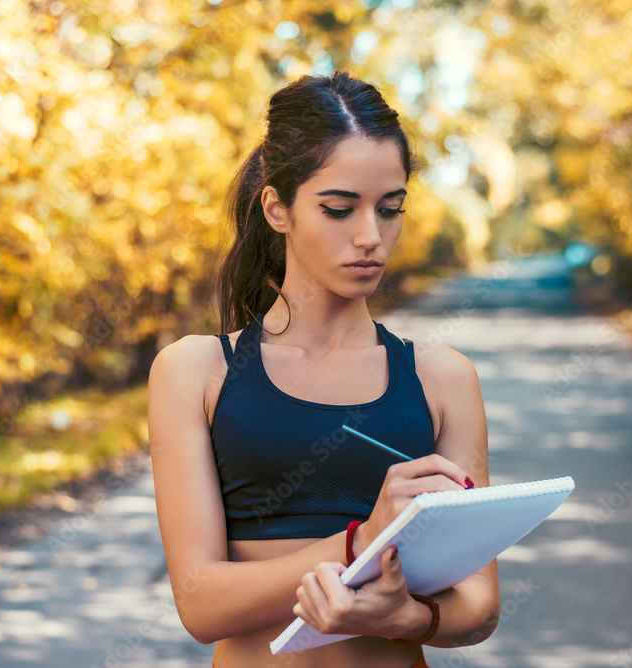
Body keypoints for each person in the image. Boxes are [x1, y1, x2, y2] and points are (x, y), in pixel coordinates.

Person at [148, 70, 499, 668]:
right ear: (277, 207)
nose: (371, 237)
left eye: (391, 209)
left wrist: (406, 618)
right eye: (339, 209)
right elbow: (200, 605)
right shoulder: (197, 371)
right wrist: (361, 541)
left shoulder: (442, 378)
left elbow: (478, 606)